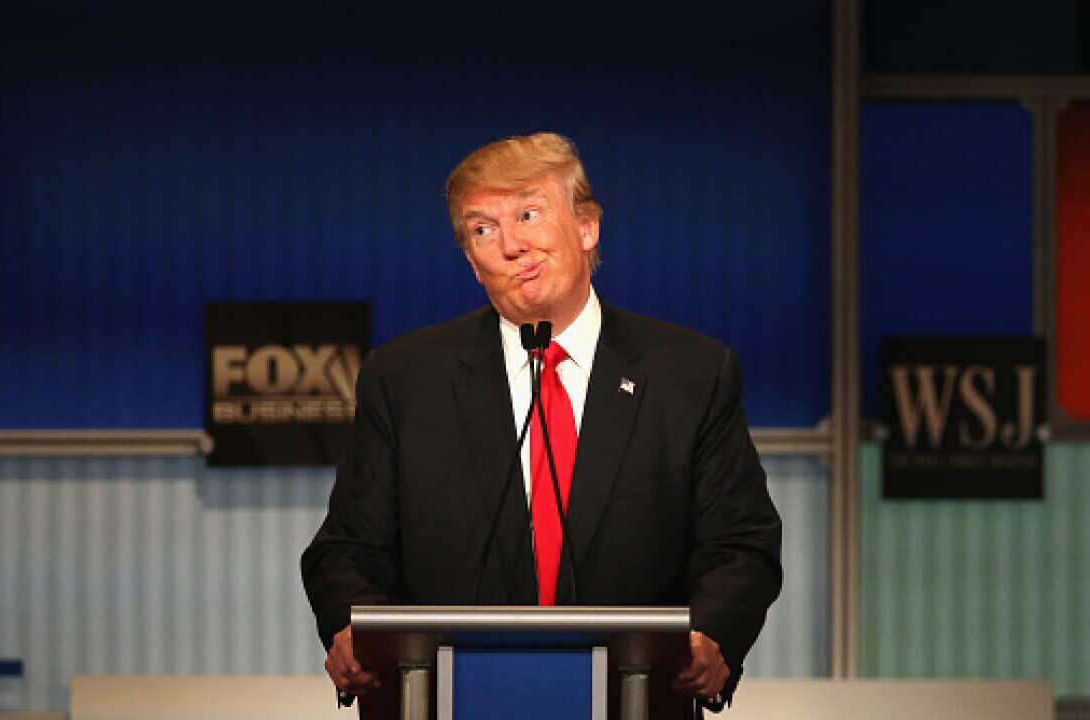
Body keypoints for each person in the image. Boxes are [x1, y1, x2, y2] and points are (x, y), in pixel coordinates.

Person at [301, 132, 782, 710]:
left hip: (634, 700)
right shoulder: (404, 378)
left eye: (528, 213)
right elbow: (347, 549)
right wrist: (358, 629)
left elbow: (741, 543)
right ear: (472, 264)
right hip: (446, 698)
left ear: (587, 227)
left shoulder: (692, 374)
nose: (511, 245)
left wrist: (711, 636)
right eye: (483, 229)